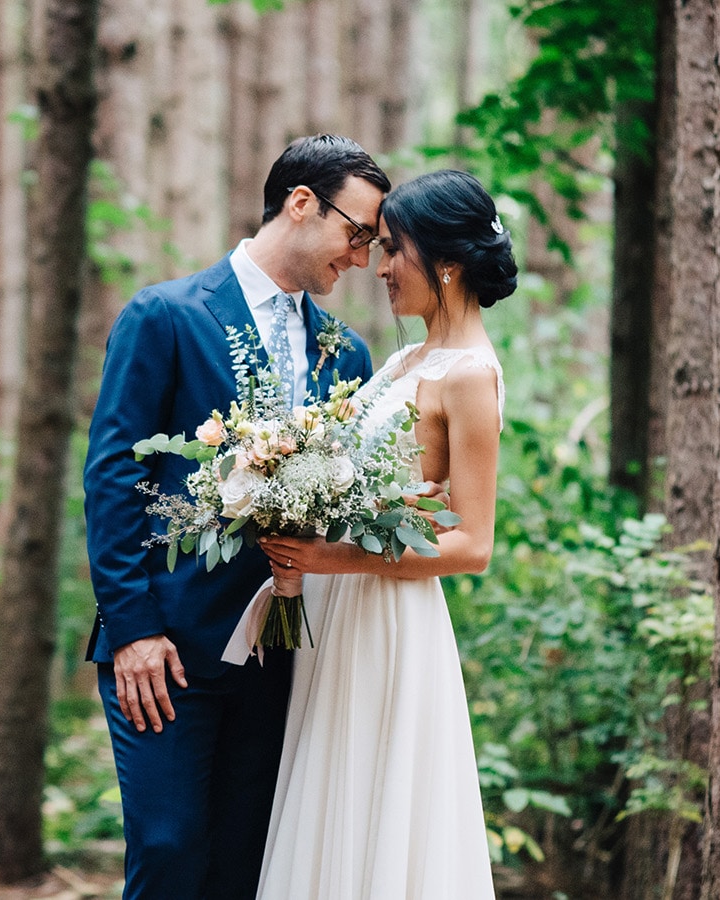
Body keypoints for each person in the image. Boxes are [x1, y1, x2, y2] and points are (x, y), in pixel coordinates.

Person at [82, 134, 388, 900]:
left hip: (282, 652)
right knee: (169, 848)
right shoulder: (165, 315)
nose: (359, 257)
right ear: (300, 203)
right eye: (357, 233)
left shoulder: (345, 354)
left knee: (249, 865)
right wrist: (134, 631)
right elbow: (115, 478)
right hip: (169, 648)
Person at [255, 169, 514, 898]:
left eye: (395, 249)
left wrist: (328, 557)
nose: (381, 266)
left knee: (376, 814)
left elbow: (472, 545)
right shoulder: (407, 360)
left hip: (389, 622)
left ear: (448, 264)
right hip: (343, 612)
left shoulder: (469, 375)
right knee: (328, 809)